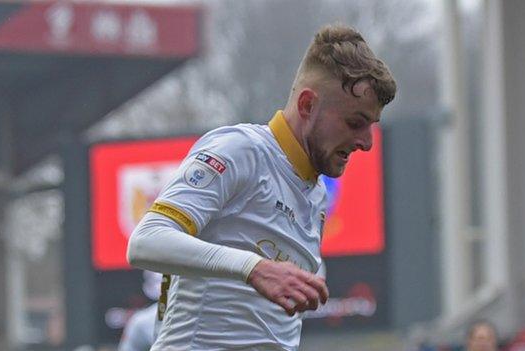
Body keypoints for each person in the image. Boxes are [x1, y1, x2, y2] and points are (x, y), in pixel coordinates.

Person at [127, 23, 397, 350]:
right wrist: (253, 268)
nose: (367, 143)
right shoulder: (242, 150)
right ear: (308, 105)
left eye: (371, 126)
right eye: (355, 123)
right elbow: (146, 240)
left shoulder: (315, 194)